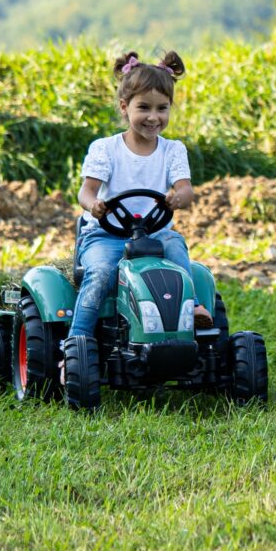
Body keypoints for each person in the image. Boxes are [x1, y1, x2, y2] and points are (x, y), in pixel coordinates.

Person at [68, 49, 213, 342]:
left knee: (174, 244)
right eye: (144, 108)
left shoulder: (173, 150)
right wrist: (93, 205)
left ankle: (193, 309)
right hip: (106, 235)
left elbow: (185, 189)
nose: (153, 117)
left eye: (162, 109)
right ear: (124, 107)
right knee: (100, 274)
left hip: (155, 233)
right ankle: (77, 340)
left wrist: (179, 197)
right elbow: (87, 191)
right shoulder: (106, 149)